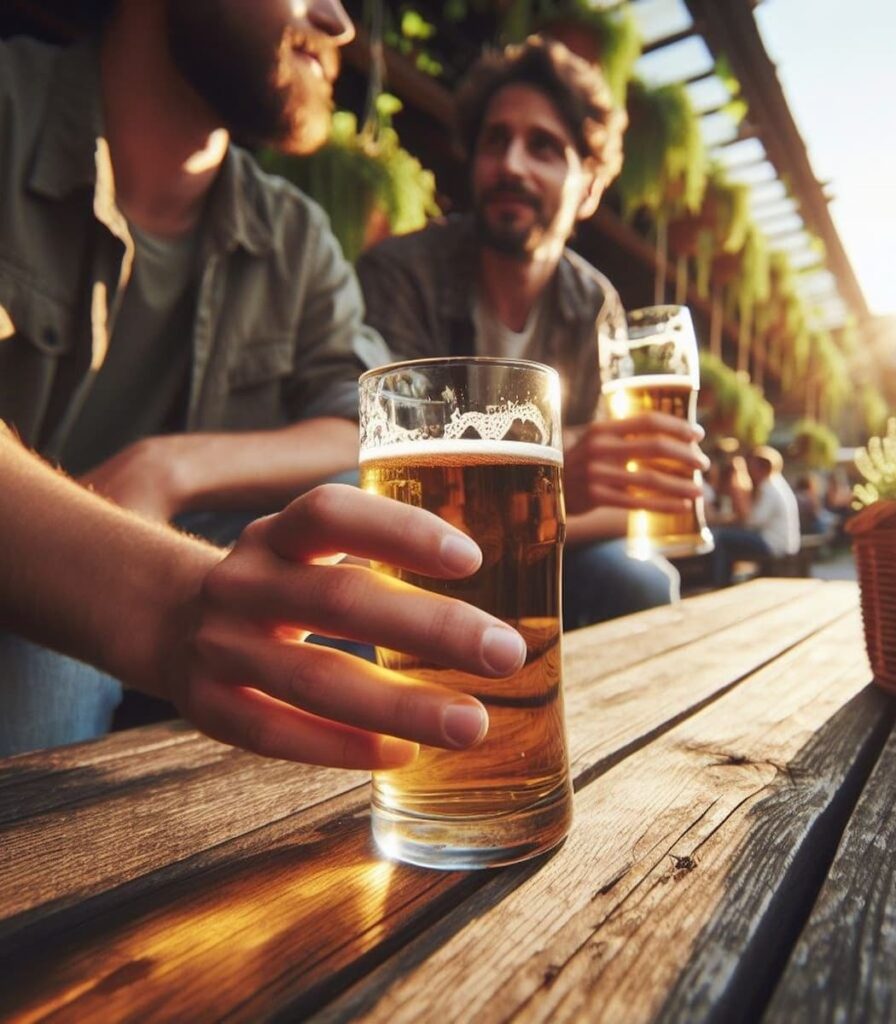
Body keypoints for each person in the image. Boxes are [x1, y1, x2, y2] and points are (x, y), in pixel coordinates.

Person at [0, 0, 393, 751]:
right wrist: (153, 587)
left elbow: (367, 417)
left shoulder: (293, 236)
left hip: (191, 597)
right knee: (45, 659)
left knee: (355, 535)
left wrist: (170, 466)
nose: (337, 23)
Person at [356, 37, 709, 629]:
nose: (511, 165)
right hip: (421, 555)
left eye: (543, 147)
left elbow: (617, 508)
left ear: (590, 186)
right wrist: (555, 483)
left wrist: (570, 500)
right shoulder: (402, 273)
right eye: (496, 141)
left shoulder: (594, 303)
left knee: (643, 581)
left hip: (538, 549)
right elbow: (378, 484)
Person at [0, 426, 527, 764]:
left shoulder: (299, 253)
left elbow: (354, 420)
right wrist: (172, 602)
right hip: (50, 535)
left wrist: (166, 464)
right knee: (43, 671)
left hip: (223, 529)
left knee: (374, 570)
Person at [708, 446, 800, 587]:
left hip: (773, 543)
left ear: (762, 467)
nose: (750, 472)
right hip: (782, 542)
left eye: (752, 467)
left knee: (721, 538)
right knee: (729, 539)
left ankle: (719, 583)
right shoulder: (777, 484)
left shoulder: (768, 488)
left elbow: (753, 522)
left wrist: (735, 512)